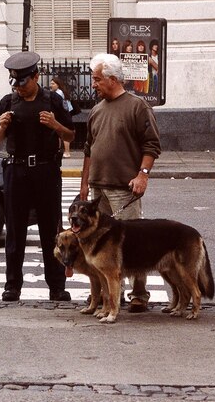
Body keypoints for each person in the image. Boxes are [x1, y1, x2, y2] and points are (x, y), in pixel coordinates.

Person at [79, 53, 161, 313]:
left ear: (113, 79)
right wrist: (84, 185)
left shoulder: (137, 106)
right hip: (98, 189)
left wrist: (143, 174)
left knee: (134, 242)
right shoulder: (96, 110)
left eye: (97, 79)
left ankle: (139, 294)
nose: (94, 84)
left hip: (124, 189)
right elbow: (89, 150)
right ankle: (110, 295)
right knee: (100, 245)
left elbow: (152, 145)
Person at [0, 51, 75, 302]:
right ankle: (12, 285)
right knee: (15, 230)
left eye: (23, 83)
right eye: (15, 83)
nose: (19, 88)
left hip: (46, 170)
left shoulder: (52, 101)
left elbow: (70, 135)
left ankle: (56, 286)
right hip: (16, 170)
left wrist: (54, 126)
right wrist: (3, 127)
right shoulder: (8, 102)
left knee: (51, 228)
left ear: (36, 77)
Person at [49, 76, 73, 157]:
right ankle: (60, 150)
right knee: (59, 133)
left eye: (53, 84)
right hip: (64, 114)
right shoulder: (61, 92)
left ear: (58, 85)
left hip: (62, 116)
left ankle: (67, 152)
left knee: (62, 133)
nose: (51, 85)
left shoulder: (58, 93)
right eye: (51, 84)